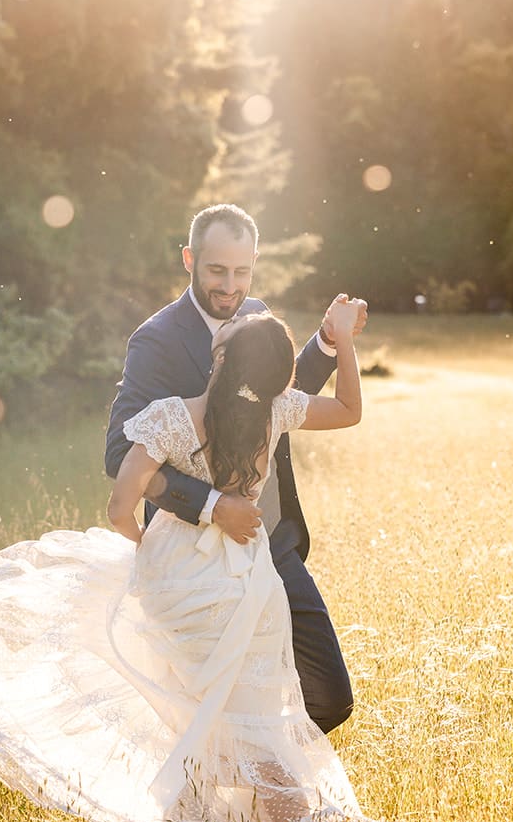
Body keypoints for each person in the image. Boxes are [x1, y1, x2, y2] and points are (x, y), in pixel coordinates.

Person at [0, 298, 372, 822]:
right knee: (256, 718)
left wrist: (150, 555)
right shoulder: (278, 410)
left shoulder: (169, 417)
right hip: (246, 585)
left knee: (191, 714)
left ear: (218, 355)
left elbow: (121, 506)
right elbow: (349, 409)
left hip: (180, 587)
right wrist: (344, 341)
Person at [105, 203, 366, 734]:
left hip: (272, 544)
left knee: (330, 697)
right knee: (207, 703)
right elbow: (119, 454)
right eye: (216, 270)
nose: (230, 286)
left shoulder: (258, 314)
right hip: (197, 561)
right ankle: (231, 796)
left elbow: (280, 398)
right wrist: (212, 506)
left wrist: (328, 342)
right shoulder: (155, 341)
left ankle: (262, 767)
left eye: (242, 272)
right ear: (189, 260)